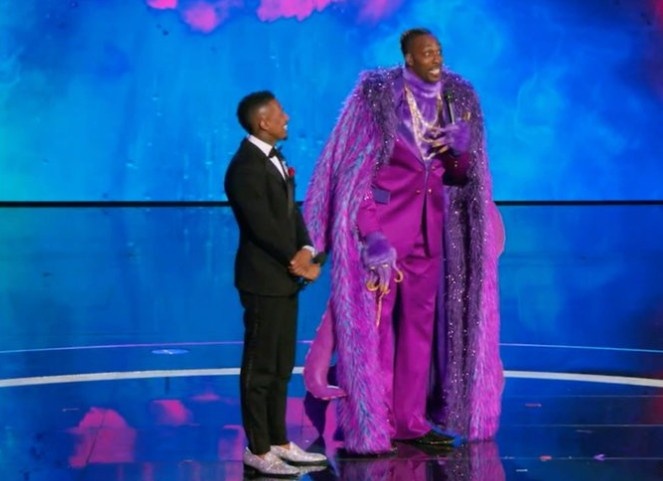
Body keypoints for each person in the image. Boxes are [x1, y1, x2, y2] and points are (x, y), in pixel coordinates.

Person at [301, 28, 506, 455]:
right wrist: (372, 235)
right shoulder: (376, 98)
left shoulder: (457, 99)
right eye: (427, 53)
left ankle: (410, 422)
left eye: (439, 51)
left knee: (418, 331)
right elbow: (354, 177)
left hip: (429, 235)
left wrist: (461, 150)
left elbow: (460, 177)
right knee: (374, 332)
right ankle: (374, 422)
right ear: (408, 59)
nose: (436, 59)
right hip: (382, 237)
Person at [224, 91, 328, 476]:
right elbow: (261, 226)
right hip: (262, 279)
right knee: (261, 368)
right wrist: (297, 261)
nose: (288, 117)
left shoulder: (276, 159)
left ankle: (280, 441)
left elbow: (288, 214)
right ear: (262, 122)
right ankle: (258, 448)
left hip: (284, 280)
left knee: (282, 366)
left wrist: (307, 248)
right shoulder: (244, 167)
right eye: (281, 112)